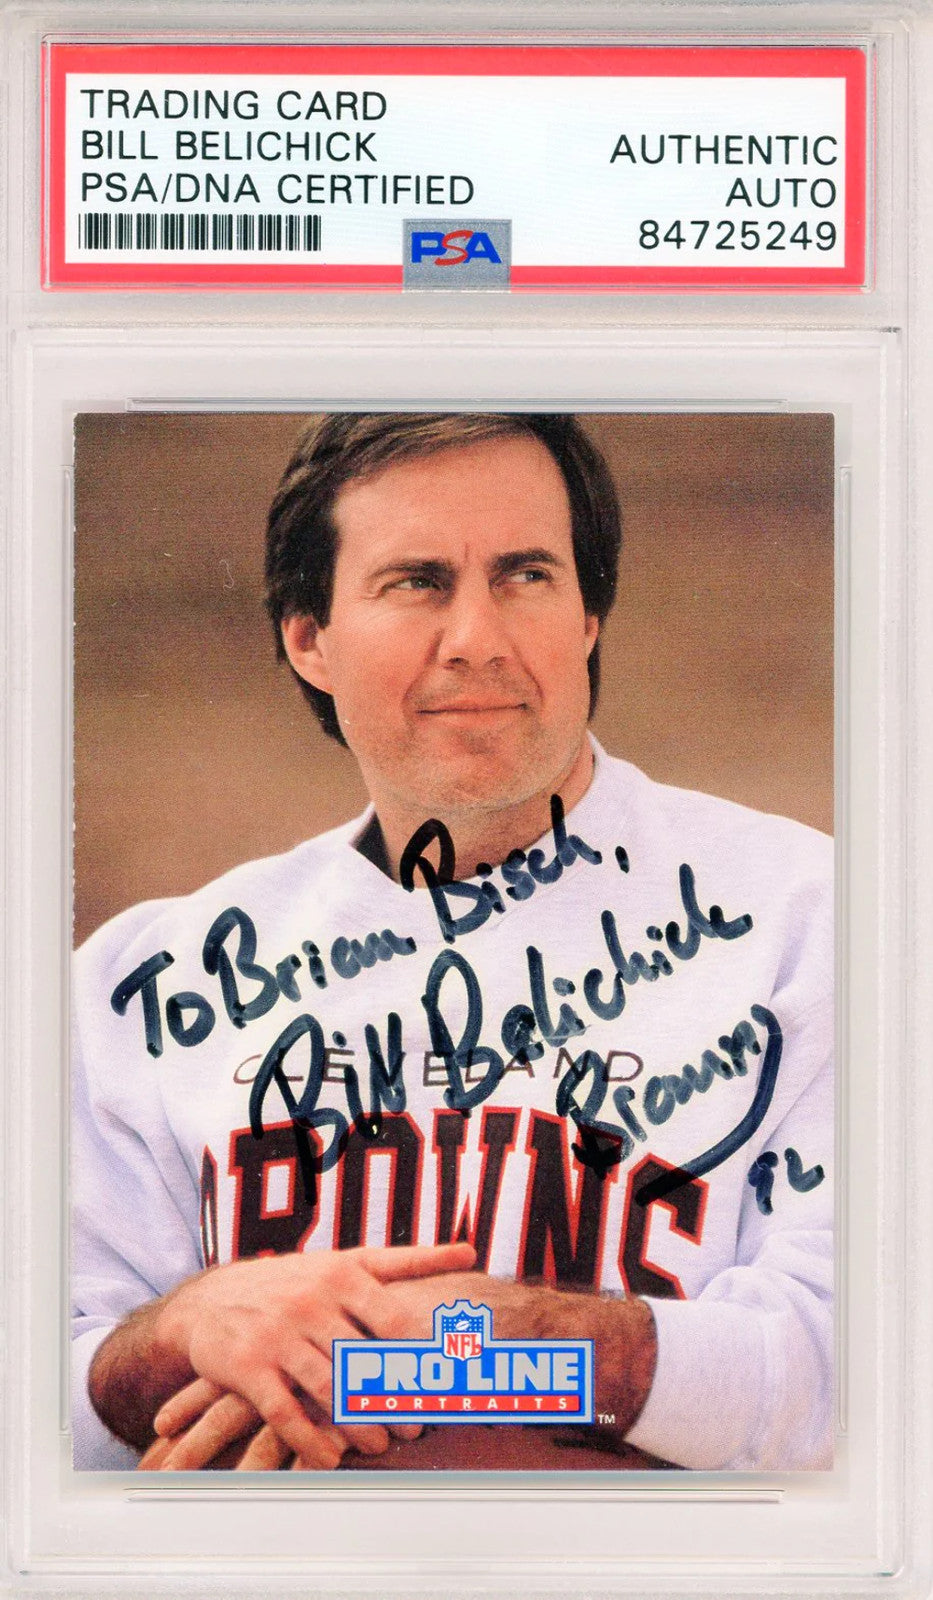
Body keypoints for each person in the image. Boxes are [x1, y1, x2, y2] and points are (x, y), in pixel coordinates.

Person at [72, 413, 833, 1473]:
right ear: (310, 639)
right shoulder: (143, 978)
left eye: (526, 575)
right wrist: (182, 1328)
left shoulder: (812, 917)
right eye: (417, 581)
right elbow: (46, 1398)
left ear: (588, 617)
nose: (477, 635)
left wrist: (472, 1349)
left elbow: (846, 1369)